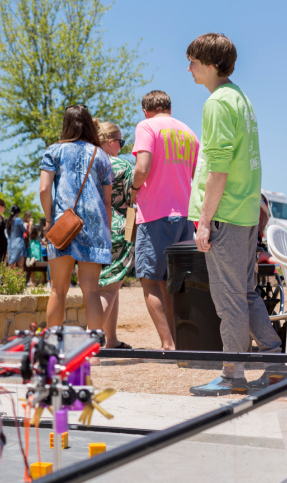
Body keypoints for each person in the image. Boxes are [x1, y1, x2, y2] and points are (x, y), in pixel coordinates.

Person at [185, 33, 283, 396]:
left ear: (209, 65)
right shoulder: (241, 99)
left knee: (229, 301)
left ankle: (232, 374)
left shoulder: (217, 104)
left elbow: (219, 169)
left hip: (225, 214)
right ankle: (275, 365)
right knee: (245, 294)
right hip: (243, 211)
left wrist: (205, 221)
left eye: (193, 61)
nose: (189, 68)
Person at [129, 90, 199, 351]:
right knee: (174, 283)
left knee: (150, 281)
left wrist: (134, 188)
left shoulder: (146, 126)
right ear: (169, 107)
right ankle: (180, 341)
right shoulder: (188, 132)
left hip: (155, 214)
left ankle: (167, 344)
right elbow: (197, 174)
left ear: (146, 111)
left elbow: (142, 167)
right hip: (184, 215)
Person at [39, 105, 113, 350]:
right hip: (94, 227)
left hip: (63, 224)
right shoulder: (101, 155)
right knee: (91, 290)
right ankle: (92, 349)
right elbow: (107, 200)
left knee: (58, 289)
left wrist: (49, 219)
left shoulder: (54, 151)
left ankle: (52, 347)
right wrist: (107, 230)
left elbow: (43, 189)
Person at [94, 120, 136, 349]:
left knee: (109, 285)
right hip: (119, 227)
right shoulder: (122, 166)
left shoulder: (89, 164)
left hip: (91, 229)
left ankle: (111, 340)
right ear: (110, 142)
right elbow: (133, 202)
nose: (121, 145)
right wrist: (131, 233)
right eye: (120, 141)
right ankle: (88, 344)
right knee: (110, 288)